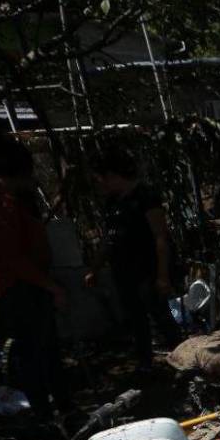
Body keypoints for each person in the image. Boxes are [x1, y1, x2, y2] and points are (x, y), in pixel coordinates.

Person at [0, 137, 70, 418]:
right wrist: (51, 287)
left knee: (44, 354)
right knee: (36, 357)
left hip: (26, 288)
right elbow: (12, 259)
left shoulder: (11, 201)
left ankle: (59, 410)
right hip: (20, 291)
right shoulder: (0, 204)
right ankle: (49, 416)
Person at [85, 145, 183, 370]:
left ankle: (184, 360)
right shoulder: (112, 203)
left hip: (147, 271)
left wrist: (162, 276)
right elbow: (108, 239)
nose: (99, 185)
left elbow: (161, 237)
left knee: (161, 317)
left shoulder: (145, 197)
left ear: (112, 176)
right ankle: (145, 364)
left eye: (100, 179)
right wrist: (95, 268)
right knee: (136, 321)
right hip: (124, 273)